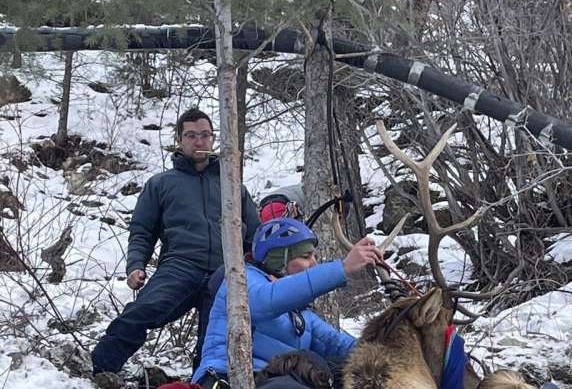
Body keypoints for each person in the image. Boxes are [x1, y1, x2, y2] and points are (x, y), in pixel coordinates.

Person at [92, 108, 262, 376]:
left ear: (213, 139)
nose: (199, 142)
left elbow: (255, 235)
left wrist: (256, 270)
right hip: (180, 266)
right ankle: (98, 371)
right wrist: (136, 265)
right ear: (179, 140)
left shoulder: (233, 186)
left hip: (225, 273)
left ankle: (202, 382)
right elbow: (142, 230)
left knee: (215, 342)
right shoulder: (161, 184)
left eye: (205, 135)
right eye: (191, 135)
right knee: (140, 313)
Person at [192, 217, 383, 389]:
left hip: (278, 380)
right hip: (225, 379)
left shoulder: (302, 315)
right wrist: (343, 267)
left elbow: (341, 345)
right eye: (306, 256)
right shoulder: (240, 281)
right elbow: (268, 300)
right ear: (278, 260)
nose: (314, 263)